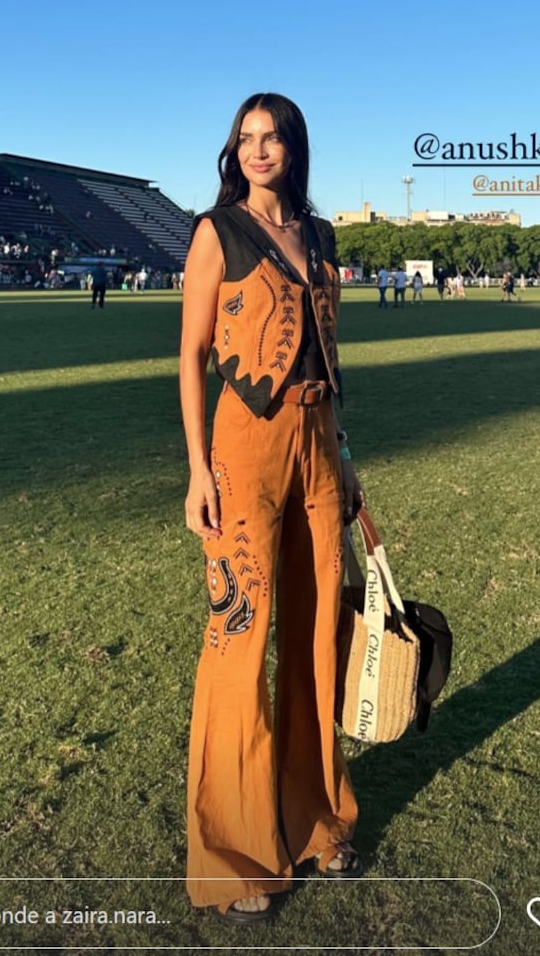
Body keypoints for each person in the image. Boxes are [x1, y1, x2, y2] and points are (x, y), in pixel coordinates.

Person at [180, 93, 365, 923]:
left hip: (321, 444)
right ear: (235, 151)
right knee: (240, 632)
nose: (258, 150)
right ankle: (232, 849)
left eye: (272, 137)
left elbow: (327, 349)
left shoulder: (321, 236)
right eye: (245, 138)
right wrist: (197, 470)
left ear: (293, 147)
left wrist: (347, 461)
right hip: (242, 448)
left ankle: (318, 818)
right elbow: (189, 356)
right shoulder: (215, 232)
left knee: (320, 627)